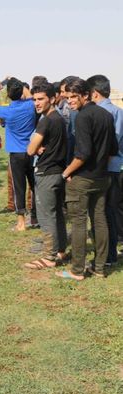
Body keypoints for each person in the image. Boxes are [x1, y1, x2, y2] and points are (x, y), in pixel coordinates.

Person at [57, 78, 118, 280]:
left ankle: (77, 270)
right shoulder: (107, 115)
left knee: (79, 223)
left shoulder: (82, 117)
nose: (70, 102)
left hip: (83, 179)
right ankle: (99, 268)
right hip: (102, 177)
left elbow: (82, 154)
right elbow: (112, 150)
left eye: (74, 97)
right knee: (99, 221)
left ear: (86, 95)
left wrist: (66, 173)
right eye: (67, 97)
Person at [23, 82, 68, 270]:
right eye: (34, 99)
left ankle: (50, 257)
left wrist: (35, 147)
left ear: (51, 99)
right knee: (57, 214)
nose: (36, 103)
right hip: (59, 172)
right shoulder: (59, 118)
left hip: (46, 173)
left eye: (40, 99)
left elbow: (30, 149)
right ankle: (61, 251)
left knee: (46, 216)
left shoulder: (46, 120)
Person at [0, 77, 37, 231]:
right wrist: (20, 83)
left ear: (8, 95)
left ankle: (21, 222)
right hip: (33, 152)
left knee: (18, 187)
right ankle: (35, 217)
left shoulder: (7, 111)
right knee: (35, 186)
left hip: (16, 155)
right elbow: (30, 96)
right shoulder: (31, 105)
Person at [86, 75, 123, 266]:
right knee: (111, 210)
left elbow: (110, 144)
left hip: (106, 169)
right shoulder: (118, 111)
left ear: (94, 93)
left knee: (103, 213)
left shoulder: (101, 113)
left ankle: (108, 256)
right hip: (116, 167)